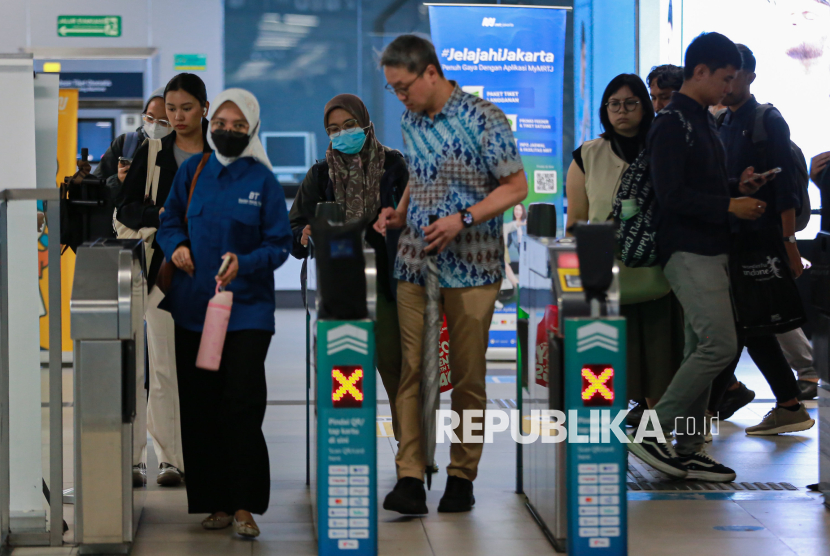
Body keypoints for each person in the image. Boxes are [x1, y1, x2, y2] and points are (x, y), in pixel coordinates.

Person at [375, 35, 528, 514]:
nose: (400, 98)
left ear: (431, 73)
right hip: (414, 262)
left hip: (474, 265)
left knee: (467, 377)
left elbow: (516, 186)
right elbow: (420, 177)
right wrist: (400, 214)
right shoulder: (409, 120)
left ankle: (462, 476)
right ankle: (410, 476)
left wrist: (464, 218)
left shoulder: (484, 118)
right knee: (411, 372)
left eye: (404, 87)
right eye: (393, 90)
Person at [627, 32, 774, 482]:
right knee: (719, 345)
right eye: (725, 77)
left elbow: (699, 186)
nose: (730, 87)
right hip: (687, 249)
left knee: (698, 346)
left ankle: (689, 448)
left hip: (709, 247)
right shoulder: (672, 122)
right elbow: (671, 195)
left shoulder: (703, 120)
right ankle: (651, 432)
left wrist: (737, 186)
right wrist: (729, 205)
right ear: (702, 71)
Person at [157, 88, 292, 538]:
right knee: (200, 407)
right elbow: (170, 220)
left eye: (238, 127)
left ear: (251, 129)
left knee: (241, 404)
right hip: (195, 311)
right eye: (221, 125)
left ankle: (245, 506)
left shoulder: (263, 181)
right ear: (211, 124)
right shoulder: (193, 172)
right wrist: (174, 247)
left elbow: (280, 245)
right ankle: (213, 502)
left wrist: (245, 263)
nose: (227, 132)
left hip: (247, 313)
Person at [708, 44, 814, 435]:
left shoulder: (767, 120)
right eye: (724, 75)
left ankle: (706, 409)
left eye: (735, 75)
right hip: (734, 240)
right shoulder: (722, 123)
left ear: (751, 76)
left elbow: (784, 189)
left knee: (743, 327)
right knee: (749, 327)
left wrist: (789, 246)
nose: (729, 83)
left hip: (763, 241)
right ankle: (786, 403)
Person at [289, 94, 408, 440]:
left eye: (350, 125)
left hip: (387, 283)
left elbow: (416, 216)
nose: (342, 134)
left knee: (395, 366)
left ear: (365, 122)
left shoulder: (395, 167)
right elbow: (293, 225)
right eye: (334, 129)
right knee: (346, 367)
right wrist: (304, 233)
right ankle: (347, 441)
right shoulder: (321, 173)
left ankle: (410, 447)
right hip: (341, 287)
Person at [566, 73, 684, 417]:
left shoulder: (662, 148)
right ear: (605, 109)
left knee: (660, 353)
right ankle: (605, 430)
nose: (622, 111)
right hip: (606, 268)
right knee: (606, 353)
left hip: (657, 266)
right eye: (614, 104)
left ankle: (658, 431)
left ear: (644, 107)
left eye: (631, 103)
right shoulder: (587, 154)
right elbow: (576, 220)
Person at [116, 73, 212, 487]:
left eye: (185, 108)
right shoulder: (153, 152)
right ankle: (170, 458)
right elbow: (125, 210)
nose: (176, 116)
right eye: (170, 109)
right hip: (162, 275)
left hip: (212, 275)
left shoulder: (220, 152)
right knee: (163, 367)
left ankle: (200, 451)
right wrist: (164, 218)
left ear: (204, 108)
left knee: (204, 369)